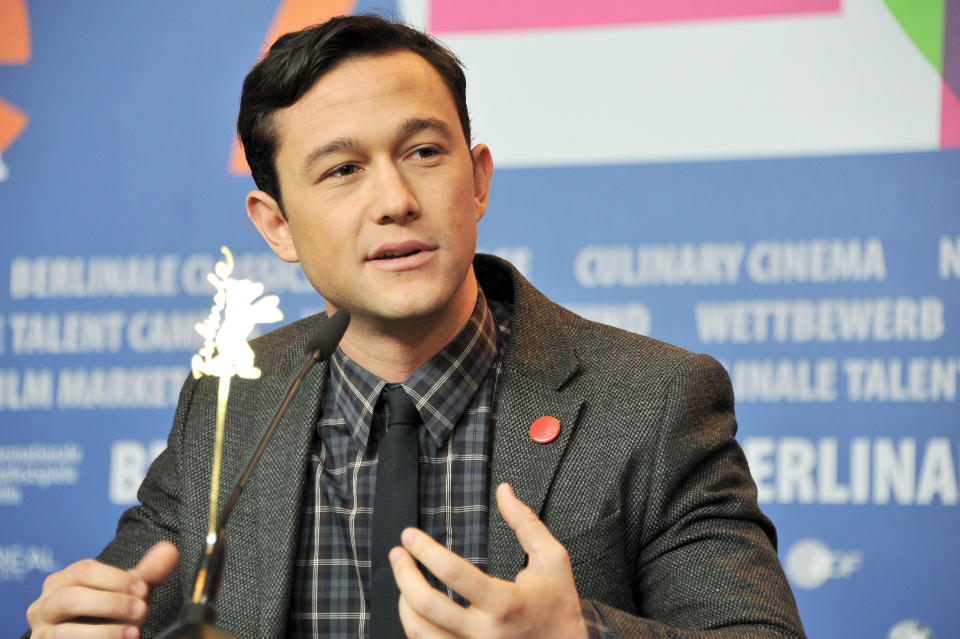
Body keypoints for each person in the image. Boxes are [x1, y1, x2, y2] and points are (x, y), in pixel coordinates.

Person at [25, 15, 806, 639]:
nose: (394, 198)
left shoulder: (652, 400)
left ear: (477, 181)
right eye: (342, 170)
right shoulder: (234, 394)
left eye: (424, 151)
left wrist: (578, 633)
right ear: (277, 225)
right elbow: (127, 604)